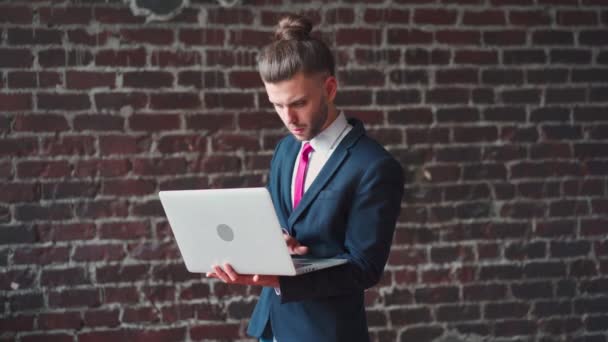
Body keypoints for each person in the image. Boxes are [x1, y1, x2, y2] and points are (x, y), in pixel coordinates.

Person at [205, 14, 404, 342]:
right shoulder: (285, 149)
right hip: (270, 326)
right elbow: (277, 221)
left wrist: (278, 278)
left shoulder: (375, 167)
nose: (288, 118)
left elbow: (364, 268)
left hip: (326, 332)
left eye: (298, 103)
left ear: (329, 88)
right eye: (277, 105)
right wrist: (268, 243)